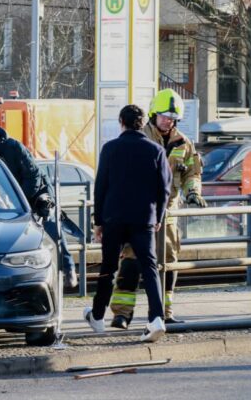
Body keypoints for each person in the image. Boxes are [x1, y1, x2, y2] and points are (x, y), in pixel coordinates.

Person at [108, 88, 205, 327]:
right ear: (153, 114)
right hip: (141, 212)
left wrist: (193, 192)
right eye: (163, 116)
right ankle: (122, 314)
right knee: (131, 262)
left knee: (168, 264)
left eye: (172, 117)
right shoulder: (140, 138)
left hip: (168, 214)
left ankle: (165, 313)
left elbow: (192, 173)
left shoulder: (184, 143)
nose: (167, 121)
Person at [84, 104, 171, 343]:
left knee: (108, 268)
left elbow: (100, 187)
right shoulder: (156, 150)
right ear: (142, 124)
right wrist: (158, 217)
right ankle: (156, 319)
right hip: (144, 219)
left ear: (121, 122)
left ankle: (98, 316)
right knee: (150, 268)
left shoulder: (110, 148)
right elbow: (164, 189)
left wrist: (98, 221)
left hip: (114, 218)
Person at [0, 110, 79, 288]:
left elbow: (33, 175)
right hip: (12, 196)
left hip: (37, 190)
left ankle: (68, 267)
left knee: (51, 224)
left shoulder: (13, 147)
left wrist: (22, 200)